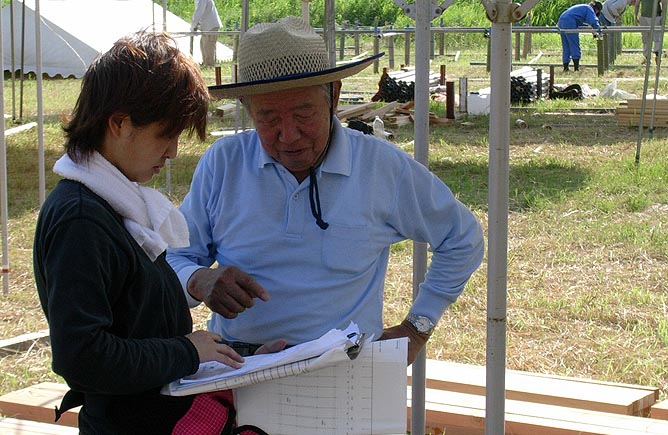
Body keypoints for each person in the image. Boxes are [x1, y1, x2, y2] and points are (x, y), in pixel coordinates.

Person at [166, 16, 485, 366]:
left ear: (333, 95)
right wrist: (199, 279)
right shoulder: (223, 164)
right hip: (242, 367)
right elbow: (175, 257)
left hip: (346, 369)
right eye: (269, 117)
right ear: (246, 107)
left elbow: (462, 237)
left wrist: (418, 327)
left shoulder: (380, 166)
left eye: (304, 113)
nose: (288, 135)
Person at [33, 31, 246, 434]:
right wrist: (185, 351)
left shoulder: (118, 207)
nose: (172, 153)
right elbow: (82, 356)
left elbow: (140, 325)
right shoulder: (81, 220)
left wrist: (229, 359)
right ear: (120, 123)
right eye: (166, 134)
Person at [558, 1, 603, 72]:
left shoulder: (583, 7)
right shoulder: (589, 9)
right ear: (596, 9)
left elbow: (581, 23)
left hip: (561, 20)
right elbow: (593, 21)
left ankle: (566, 68)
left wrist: (592, 29)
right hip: (570, 22)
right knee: (574, 44)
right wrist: (600, 31)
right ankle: (576, 68)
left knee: (566, 45)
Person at [190, 0, 222, 67]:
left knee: (208, 46)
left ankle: (209, 65)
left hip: (210, 25)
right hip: (207, 26)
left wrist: (193, 26)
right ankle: (205, 63)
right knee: (203, 45)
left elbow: (199, 12)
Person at [634, 0, 667, 64]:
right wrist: (635, 17)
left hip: (656, 17)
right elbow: (637, 4)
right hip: (644, 17)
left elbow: (664, 3)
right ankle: (647, 57)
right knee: (645, 38)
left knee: (657, 37)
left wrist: (663, 16)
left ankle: (657, 55)